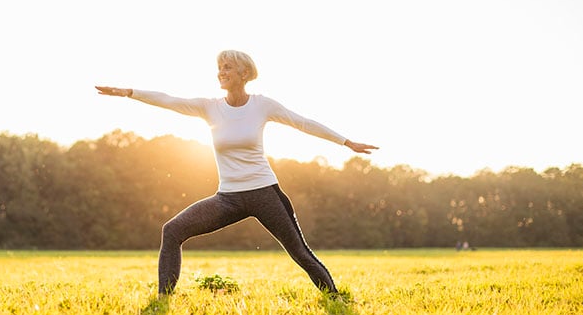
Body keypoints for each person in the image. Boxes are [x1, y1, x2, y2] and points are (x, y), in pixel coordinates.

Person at [96, 50, 378, 296]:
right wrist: (130, 93)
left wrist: (345, 141)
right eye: (220, 67)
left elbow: (301, 122)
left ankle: (335, 298)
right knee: (172, 231)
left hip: (265, 194)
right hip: (228, 198)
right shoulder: (209, 107)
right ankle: (163, 299)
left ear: (244, 73)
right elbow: (169, 100)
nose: (221, 72)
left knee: (299, 253)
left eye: (227, 67)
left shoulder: (262, 105)